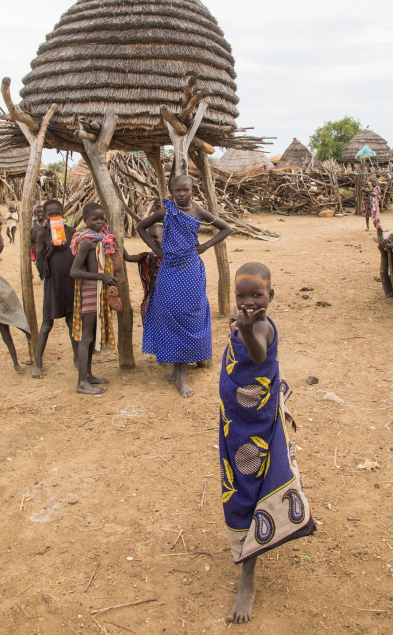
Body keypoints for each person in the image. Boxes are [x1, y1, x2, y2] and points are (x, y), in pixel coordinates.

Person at [219, 262, 315, 624]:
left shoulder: (260, 326)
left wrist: (244, 328)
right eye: (241, 296)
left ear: (270, 297)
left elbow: (258, 354)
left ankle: (248, 576)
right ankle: (245, 551)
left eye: (256, 295)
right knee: (238, 484)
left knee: (248, 488)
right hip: (234, 424)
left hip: (254, 428)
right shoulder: (243, 322)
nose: (248, 302)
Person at [137, 175, 232, 397]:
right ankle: (176, 369)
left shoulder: (198, 212)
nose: (182, 194)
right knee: (169, 314)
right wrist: (157, 250)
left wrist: (206, 245)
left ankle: (181, 374)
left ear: (192, 191)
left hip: (191, 270)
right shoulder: (166, 211)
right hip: (169, 270)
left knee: (190, 315)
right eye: (177, 190)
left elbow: (226, 228)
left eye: (186, 190)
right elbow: (141, 227)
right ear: (171, 191)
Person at [69, 203, 118, 395]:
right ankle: (82, 382)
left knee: (91, 337)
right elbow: (74, 271)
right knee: (86, 336)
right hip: (90, 292)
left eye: (101, 218)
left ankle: (88, 375)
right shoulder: (87, 242)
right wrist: (101, 276)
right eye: (94, 219)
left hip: (100, 292)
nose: (99, 222)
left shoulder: (104, 240)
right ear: (86, 221)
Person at [32, 200, 77, 378]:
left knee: (72, 323)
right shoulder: (42, 235)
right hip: (53, 284)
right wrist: (53, 249)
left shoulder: (71, 232)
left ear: (63, 212)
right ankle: (37, 362)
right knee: (46, 324)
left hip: (70, 282)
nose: (54, 217)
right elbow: (40, 264)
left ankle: (76, 357)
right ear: (44, 216)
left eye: (57, 213)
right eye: (50, 214)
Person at [124, 224, 163, 324]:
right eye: (149, 238)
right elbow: (128, 257)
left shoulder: (172, 258)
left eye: (156, 237)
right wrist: (117, 242)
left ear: (165, 237)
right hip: (152, 299)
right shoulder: (148, 256)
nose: (152, 240)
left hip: (167, 299)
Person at [31, 205, 46, 272]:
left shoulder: (46, 224)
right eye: (38, 212)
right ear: (35, 213)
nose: (40, 214)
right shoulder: (34, 223)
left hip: (44, 247)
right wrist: (31, 245)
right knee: (38, 261)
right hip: (35, 246)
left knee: (44, 260)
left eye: (41, 212)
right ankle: (41, 275)